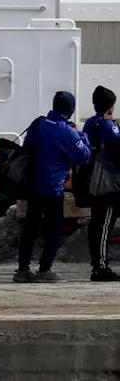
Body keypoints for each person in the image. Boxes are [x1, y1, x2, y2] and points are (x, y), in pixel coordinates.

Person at [15, 90, 91, 283]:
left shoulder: (39, 123)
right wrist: (82, 136)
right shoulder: (66, 131)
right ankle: (44, 269)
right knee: (54, 230)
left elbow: (28, 146)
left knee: (30, 228)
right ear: (70, 109)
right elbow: (84, 156)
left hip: (34, 185)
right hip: (53, 188)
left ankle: (22, 269)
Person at [83, 86, 120, 282]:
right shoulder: (107, 125)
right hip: (107, 182)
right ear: (111, 107)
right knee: (104, 224)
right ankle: (101, 266)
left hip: (93, 181)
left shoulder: (90, 123)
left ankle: (98, 263)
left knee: (97, 223)